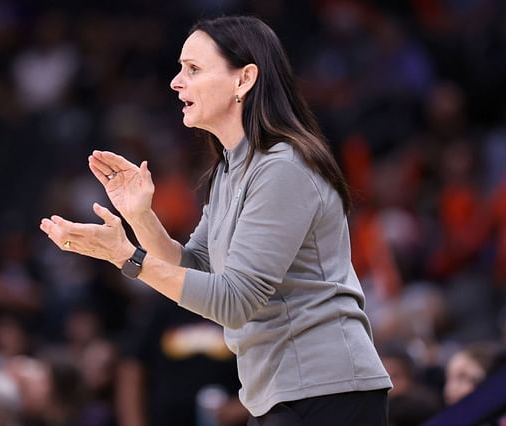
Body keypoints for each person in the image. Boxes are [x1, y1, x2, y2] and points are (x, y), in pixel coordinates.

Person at [40, 15, 391, 425]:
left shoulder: (283, 168)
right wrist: (141, 218)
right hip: (284, 394)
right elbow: (196, 272)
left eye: (193, 69)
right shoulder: (230, 169)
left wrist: (128, 259)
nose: (175, 82)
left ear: (244, 79)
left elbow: (234, 301)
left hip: (328, 390)